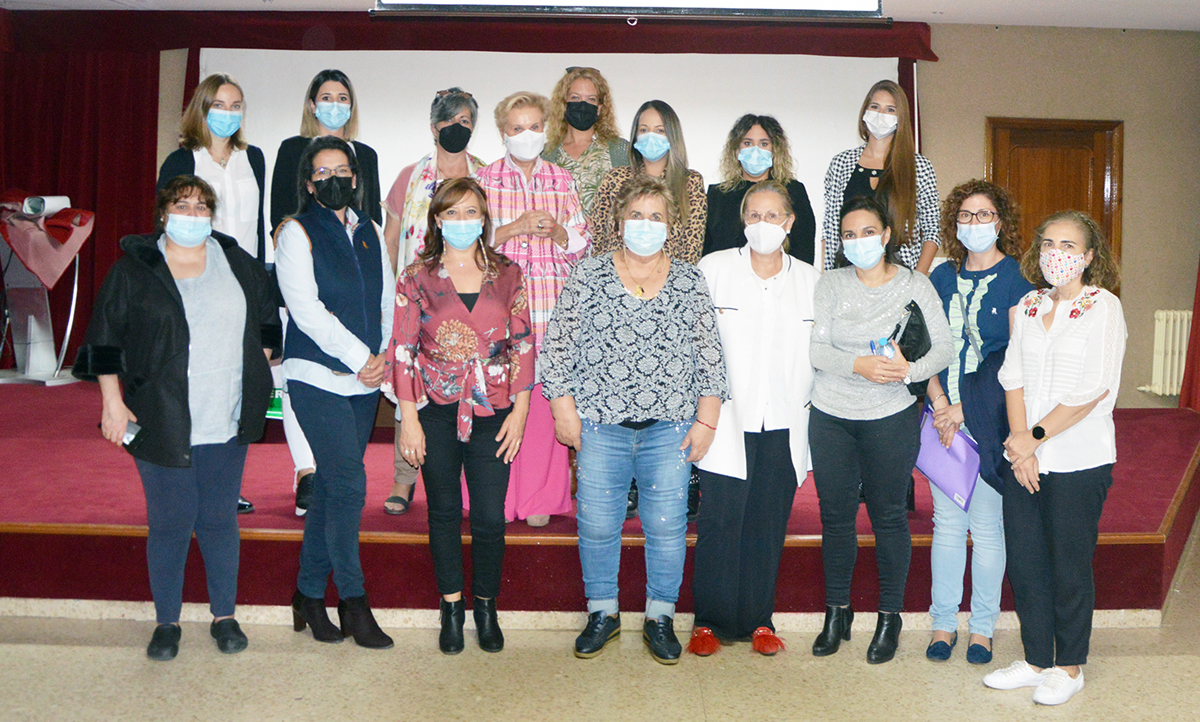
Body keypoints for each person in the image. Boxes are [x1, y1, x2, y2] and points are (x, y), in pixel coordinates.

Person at [72, 175, 280, 661]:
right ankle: (167, 622)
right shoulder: (134, 268)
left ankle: (224, 616)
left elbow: (267, 323)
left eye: (202, 206)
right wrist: (112, 402)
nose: (193, 214)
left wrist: (256, 364)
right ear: (163, 213)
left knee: (219, 519)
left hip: (228, 413)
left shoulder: (237, 263)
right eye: (182, 205)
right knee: (170, 521)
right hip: (161, 415)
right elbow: (104, 340)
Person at [541, 176, 728, 665]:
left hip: (670, 429)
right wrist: (563, 411)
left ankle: (659, 617)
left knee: (666, 527)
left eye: (656, 217)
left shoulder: (689, 279)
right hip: (600, 425)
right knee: (598, 524)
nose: (646, 225)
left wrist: (706, 421)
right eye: (637, 216)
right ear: (619, 223)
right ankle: (602, 613)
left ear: (671, 226)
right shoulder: (588, 274)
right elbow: (557, 347)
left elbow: (710, 355)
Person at [384, 177, 536, 654]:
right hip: (434, 408)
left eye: (471, 212)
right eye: (452, 212)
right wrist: (409, 419)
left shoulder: (508, 272)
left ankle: (486, 607)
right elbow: (403, 349)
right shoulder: (416, 276)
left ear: (484, 217)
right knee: (444, 512)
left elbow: (523, 343)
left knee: (490, 516)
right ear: (437, 220)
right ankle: (451, 607)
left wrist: (521, 411)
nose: (462, 221)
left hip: (496, 409)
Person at [983, 211, 1125, 706]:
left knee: (1069, 564)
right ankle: (1036, 659)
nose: (1055, 253)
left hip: (1078, 458)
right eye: (1048, 243)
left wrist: (1034, 437)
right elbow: (1012, 377)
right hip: (1025, 457)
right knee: (1026, 562)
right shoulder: (1028, 304)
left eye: (1068, 245)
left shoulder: (1102, 306)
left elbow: (1093, 387)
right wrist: (1021, 443)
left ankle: (1069, 666)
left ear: (1088, 256)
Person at [808, 195, 952, 664]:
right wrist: (859, 365)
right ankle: (837, 611)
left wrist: (907, 372)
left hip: (890, 416)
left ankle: (890, 617)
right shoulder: (830, 283)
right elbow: (817, 351)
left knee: (889, 516)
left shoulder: (915, 284)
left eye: (868, 232)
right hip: (831, 415)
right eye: (849, 235)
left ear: (886, 235)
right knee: (835, 517)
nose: (859, 242)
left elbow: (943, 348)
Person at [690, 180, 820, 657]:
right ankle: (709, 622)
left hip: (784, 423)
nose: (763, 224)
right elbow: (696, 345)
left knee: (768, 523)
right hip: (726, 420)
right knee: (720, 521)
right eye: (754, 216)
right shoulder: (714, 269)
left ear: (790, 222)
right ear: (743, 221)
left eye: (773, 216)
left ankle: (758, 621)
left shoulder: (811, 280)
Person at [274, 136, 394, 650]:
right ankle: (353, 600)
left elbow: (386, 297)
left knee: (328, 489)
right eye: (322, 173)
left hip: (364, 379)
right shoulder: (295, 232)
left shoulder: (370, 230)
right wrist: (360, 356)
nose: (333, 180)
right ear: (308, 183)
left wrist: (381, 355)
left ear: (355, 177)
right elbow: (306, 311)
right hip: (316, 376)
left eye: (341, 171)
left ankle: (306, 594)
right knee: (347, 485)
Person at [924, 180, 1034, 664]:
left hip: (988, 420)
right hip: (940, 417)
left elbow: (1015, 359)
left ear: (1000, 222)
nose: (974, 223)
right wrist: (939, 403)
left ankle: (983, 628)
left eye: (984, 214)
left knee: (988, 527)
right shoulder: (940, 277)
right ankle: (943, 623)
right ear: (955, 223)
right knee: (947, 524)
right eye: (965, 215)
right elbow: (922, 346)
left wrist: (963, 410)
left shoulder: (1017, 281)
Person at [268, 70, 382, 517]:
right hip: (305, 267)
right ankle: (306, 472)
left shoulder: (365, 155)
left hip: (354, 273)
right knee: (303, 371)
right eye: (326, 97)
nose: (335, 105)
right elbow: (280, 215)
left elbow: (368, 216)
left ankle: (328, 473)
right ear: (312, 104)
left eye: (343, 97)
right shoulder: (291, 150)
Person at [474, 91, 590, 528]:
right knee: (497, 402)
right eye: (518, 128)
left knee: (544, 404)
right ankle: (498, 497)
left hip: (550, 308)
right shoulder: (484, 179)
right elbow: (466, 239)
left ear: (546, 129)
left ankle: (540, 495)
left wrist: (559, 232)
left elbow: (583, 244)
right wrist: (514, 228)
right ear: (503, 133)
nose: (527, 135)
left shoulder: (562, 179)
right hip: (497, 310)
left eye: (535, 127)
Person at [157, 73, 266, 515]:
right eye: (218, 105)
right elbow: (164, 226)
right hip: (195, 284)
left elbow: (258, 224)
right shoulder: (182, 160)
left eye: (235, 106)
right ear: (201, 109)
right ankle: (184, 472)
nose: (228, 113)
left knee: (237, 382)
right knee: (197, 381)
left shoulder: (253, 157)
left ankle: (226, 484)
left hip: (244, 281)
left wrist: (263, 288)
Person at [381, 87, 486, 515]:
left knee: (469, 388)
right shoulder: (410, 177)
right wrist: (392, 296)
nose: (457, 128)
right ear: (433, 127)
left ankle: (464, 481)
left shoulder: (487, 175)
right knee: (411, 383)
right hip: (418, 300)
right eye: (449, 122)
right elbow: (391, 240)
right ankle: (403, 479)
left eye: (465, 122)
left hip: (470, 301)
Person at [821, 80, 939, 274]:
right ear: (864, 112)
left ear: (900, 118)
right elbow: (831, 229)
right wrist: (828, 276)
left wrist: (918, 278)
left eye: (890, 110)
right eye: (875, 107)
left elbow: (932, 229)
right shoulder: (841, 164)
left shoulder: (918, 166)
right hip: (848, 272)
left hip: (899, 273)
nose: (880, 115)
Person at [589, 100, 706, 265]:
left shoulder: (690, 182)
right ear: (635, 136)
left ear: (672, 135)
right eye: (644, 130)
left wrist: (678, 277)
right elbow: (596, 237)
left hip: (666, 274)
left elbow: (692, 246)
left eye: (660, 130)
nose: (651, 136)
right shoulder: (615, 178)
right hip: (615, 272)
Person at [702, 114, 816, 265]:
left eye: (763, 144)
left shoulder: (793, 191)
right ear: (736, 149)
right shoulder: (718, 195)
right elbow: (708, 250)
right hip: (726, 276)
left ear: (775, 150)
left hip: (780, 276)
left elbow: (804, 249)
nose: (755, 150)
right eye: (748, 143)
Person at [542, 66, 631, 220]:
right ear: (564, 104)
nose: (583, 105)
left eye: (591, 99)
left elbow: (634, 202)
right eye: (575, 98)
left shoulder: (620, 151)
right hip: (561, 235)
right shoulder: (546, 155)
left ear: (599, 108)